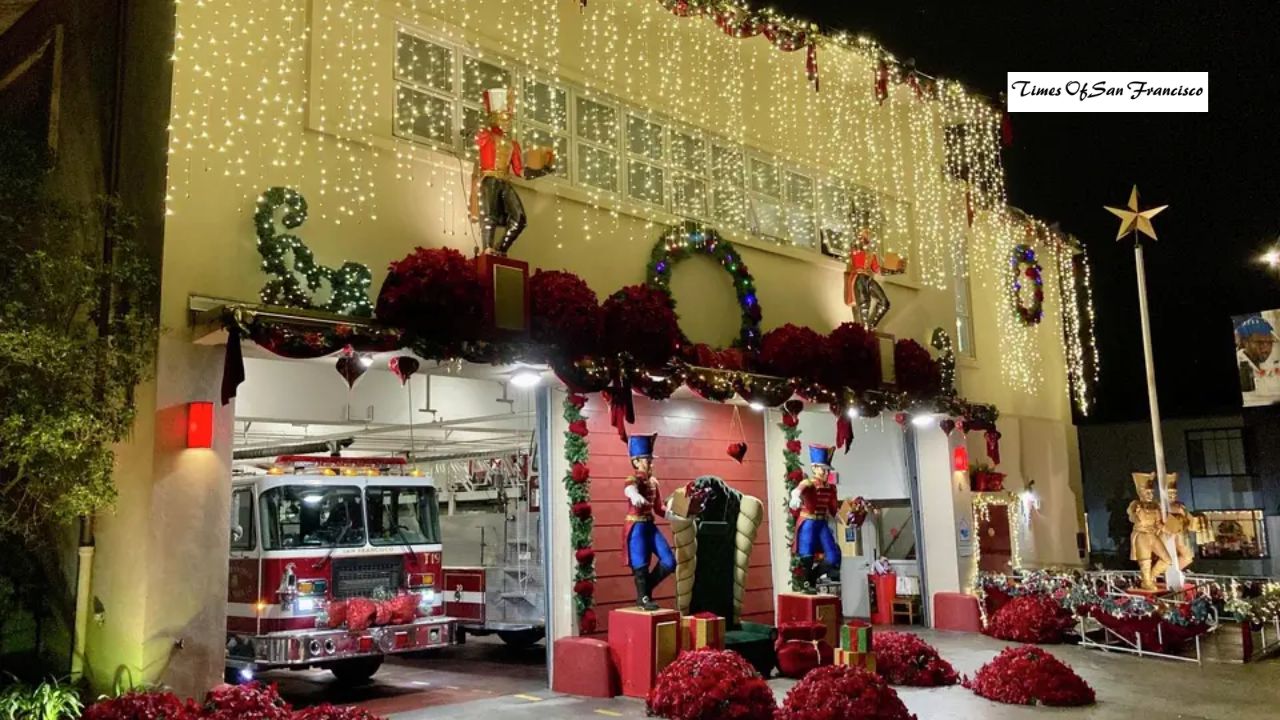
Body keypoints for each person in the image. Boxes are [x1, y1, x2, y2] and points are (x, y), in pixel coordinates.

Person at [468, 87, 555, 256]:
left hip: (505, 182)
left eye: (509, 119)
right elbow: (474, 139)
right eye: (504, 118)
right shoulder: (486, 135)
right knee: (489, 215)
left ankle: (501, 250)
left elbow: (519, 171)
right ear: (494, 118)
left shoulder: (513, 144)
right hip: (490, 179)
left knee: (519, 219)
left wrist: (541, 169)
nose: (507, 122)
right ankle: (487, 248)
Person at [622, 434, 676, 611]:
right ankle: (644, 597)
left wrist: (679, 518)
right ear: (636, 461)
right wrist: (635, 495)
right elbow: (629, 489)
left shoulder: (654, 482)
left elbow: (660, 508)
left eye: (651, 459)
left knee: (669, 561)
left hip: (650, 526)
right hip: (636, 526)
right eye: (647, 460)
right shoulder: (633, 479)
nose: (651, 463)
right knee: (641, 564)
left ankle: (645, 590)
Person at [790, 445, 843, 594]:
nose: (826, 472)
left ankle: (813, 576)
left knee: (833, 556)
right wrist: (795, 496)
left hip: (821, 523)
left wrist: (838, 516)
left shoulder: (831, 488)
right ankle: (808, 582)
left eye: (827, 469)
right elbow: (798, 489)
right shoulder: (809, 483)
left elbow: (833, 507)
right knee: (806, 554)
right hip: (808, 521)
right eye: (822, 469)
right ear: (814, 468)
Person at [1236, 315, 1280, 406]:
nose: (1266, 348)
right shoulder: (1239, 365)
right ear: (1245, 342)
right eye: (1260, 342)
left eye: (1269, 342)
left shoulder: (1271, 363)